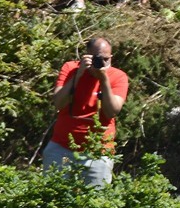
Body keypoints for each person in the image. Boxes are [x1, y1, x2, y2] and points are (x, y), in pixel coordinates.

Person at [43, 37, 129, 187]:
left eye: (106, 59)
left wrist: (104, 79)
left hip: (98, 152)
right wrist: (78, 75)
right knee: (52, 197)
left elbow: (112, 112)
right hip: (61, 147)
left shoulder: (118, 76)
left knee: (94, 205)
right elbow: (59, 102)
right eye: (97, 58)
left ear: (111, 57)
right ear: (87, 55)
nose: (101, 62)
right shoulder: (71, 68)